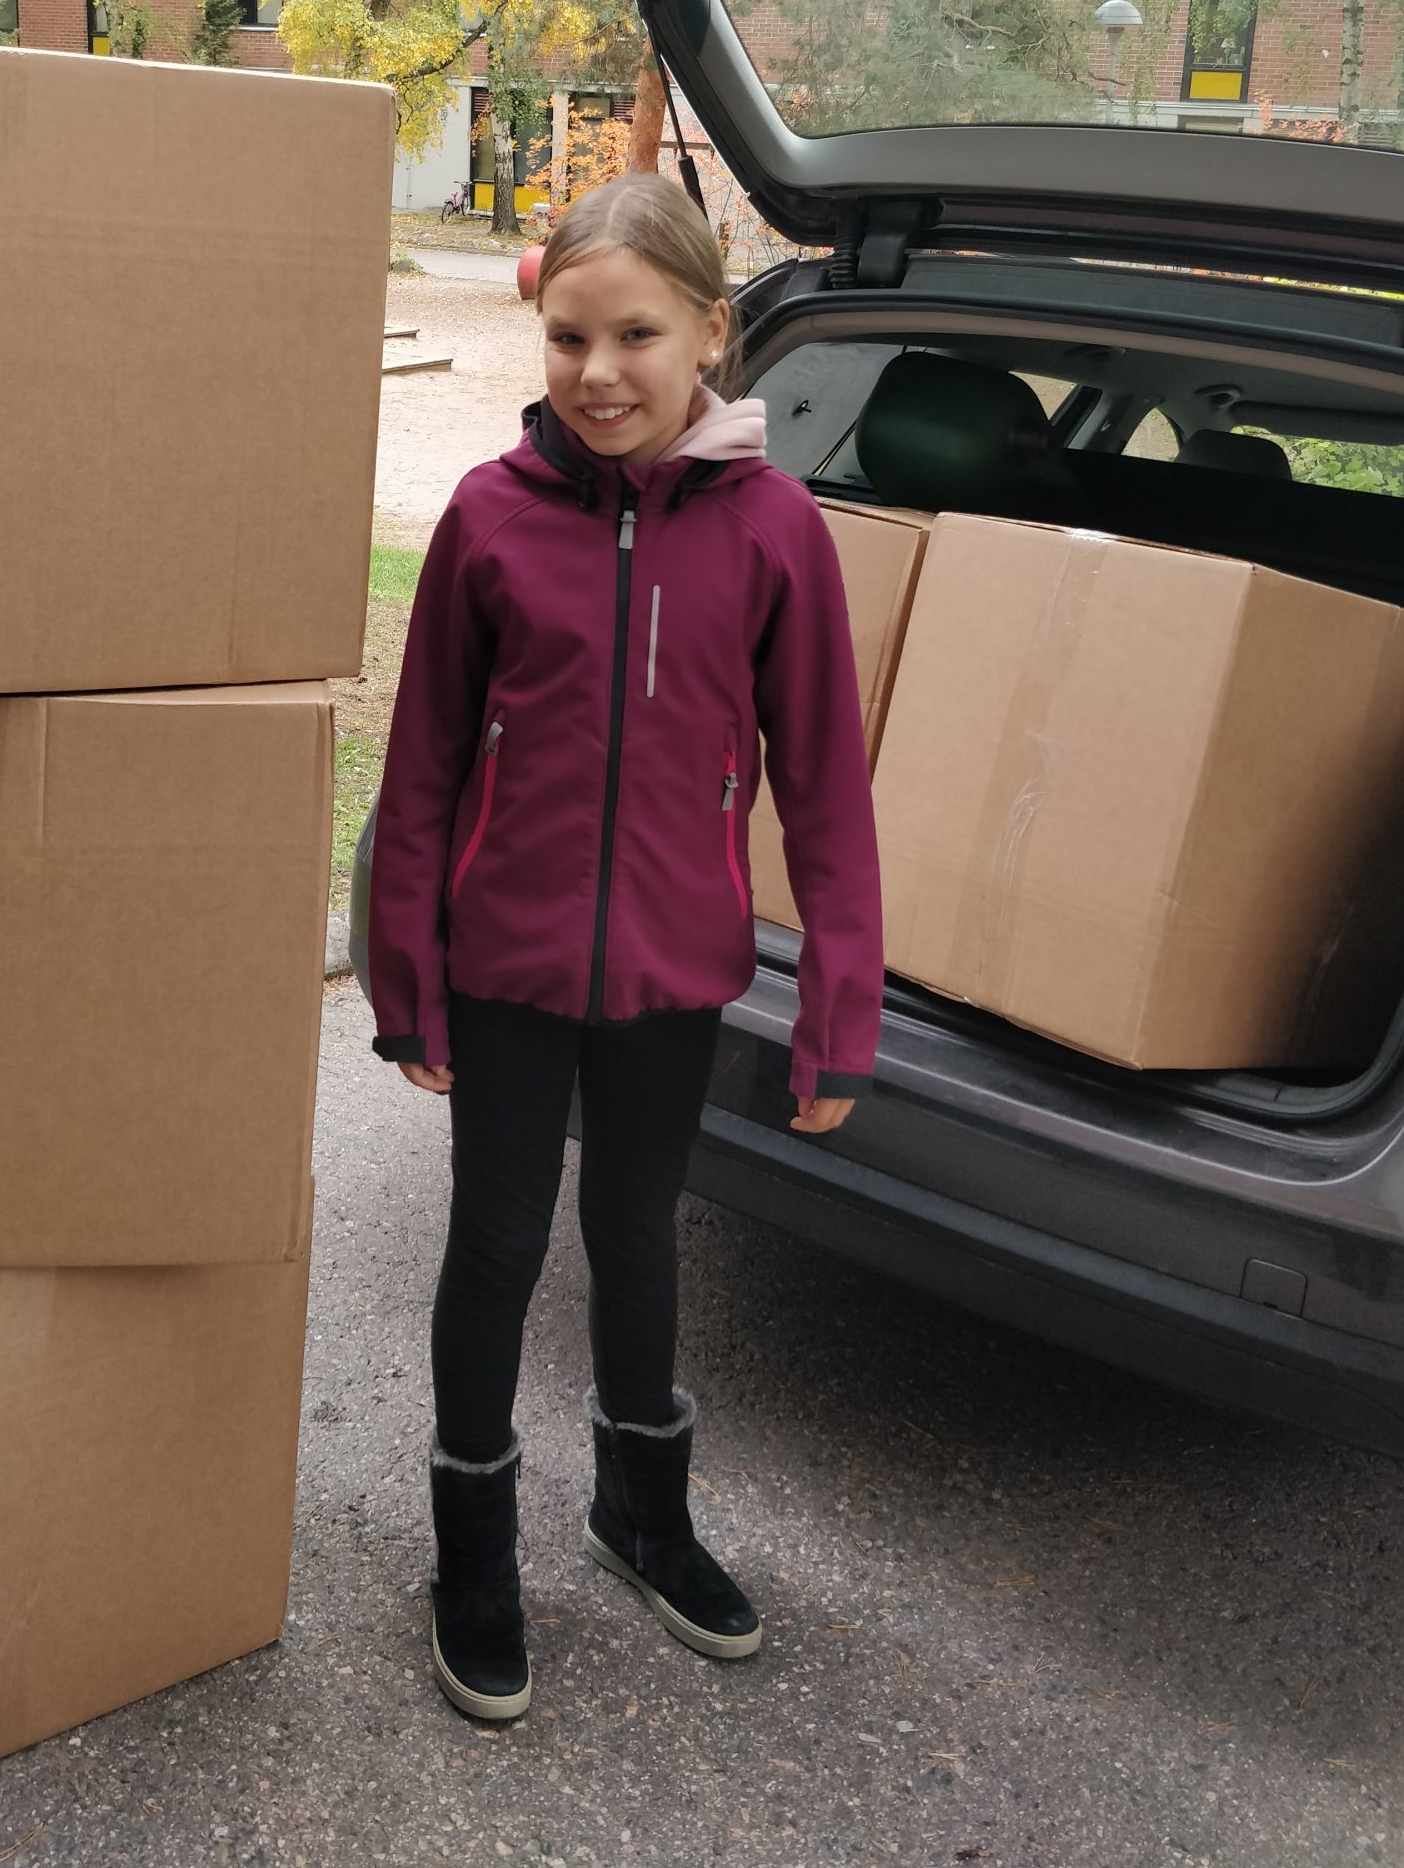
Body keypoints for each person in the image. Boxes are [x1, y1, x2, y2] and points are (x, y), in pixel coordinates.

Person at [366, 173, 883, 1723]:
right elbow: (422, 766)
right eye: (569, 337)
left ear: (712, 333)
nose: (598, 373)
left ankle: (642, 1515)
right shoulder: (489, 518)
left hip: (674, 971)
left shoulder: (779, 531)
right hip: (505, 972)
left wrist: (839, 1012)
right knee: (497, 1248)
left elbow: (826, 787)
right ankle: (473, 1553)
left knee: (639, 1237)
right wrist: (406, 981)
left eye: (637, 336)